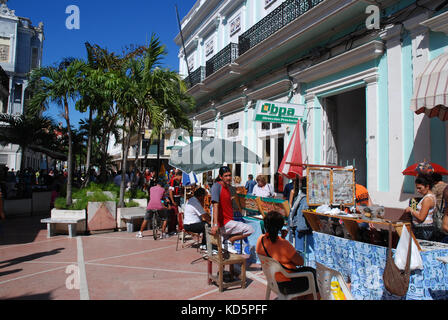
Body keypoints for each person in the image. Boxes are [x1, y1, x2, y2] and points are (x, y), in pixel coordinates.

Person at [256, 211, 319, 299]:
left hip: (273, 281)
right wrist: (283, 240)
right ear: (280, 227)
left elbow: (274, 248)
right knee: (315, 276)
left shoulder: (260, 239)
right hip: (287, 284)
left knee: (310, 272)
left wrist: (282, 237)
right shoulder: (284, 244)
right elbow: (300, 262)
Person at [211, 166, 254, 254]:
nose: (228, 178)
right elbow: (215, 206)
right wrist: (215, 224)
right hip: (223, 223)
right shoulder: (216, 186)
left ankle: (226, 241)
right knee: (250, 229)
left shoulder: (228, 188)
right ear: (220, 176)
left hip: (228, 221)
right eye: (226, 176)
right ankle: (229, 241)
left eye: (229, 175)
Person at [404, 174, 436, 240]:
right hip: (424, 229)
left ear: (427, 186)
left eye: (420, 188)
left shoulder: (427, 199)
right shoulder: (430, 197)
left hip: (423, 230)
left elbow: (421, 217)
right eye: (417, 188)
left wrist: (411, 210)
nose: (418, 190)